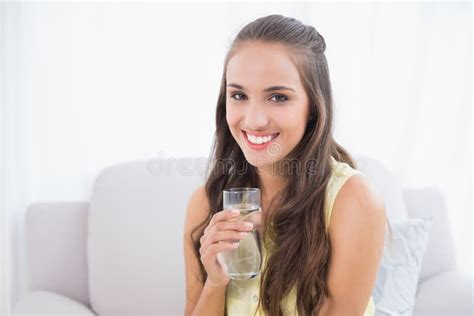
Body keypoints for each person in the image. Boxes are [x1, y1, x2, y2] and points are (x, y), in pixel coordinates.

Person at [183, 14, 389, 316]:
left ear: (313, 107)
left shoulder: (354, 202)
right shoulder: (205, 203)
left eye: (278, 97)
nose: (254, 120)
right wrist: (216, 282)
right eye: (239, 95)